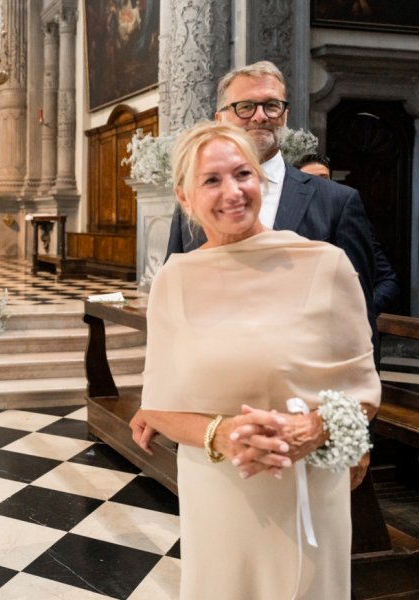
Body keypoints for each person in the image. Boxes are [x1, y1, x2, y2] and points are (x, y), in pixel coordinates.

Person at [139, 121, 380, 599]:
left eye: (243, 174)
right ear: (185, 198)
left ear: (262, 180)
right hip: (219, 487)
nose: (232, 191)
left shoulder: (324, 264)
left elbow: (364, 392)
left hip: (306, 485)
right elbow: (160, 404)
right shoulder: (176, 278)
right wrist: (221, 434)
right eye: (212, 180)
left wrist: (313, 427)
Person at [133, 60, 378, 474]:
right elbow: (176, 324)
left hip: (309, 440)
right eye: (244, 107)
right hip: (217, 443)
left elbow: (358, 331)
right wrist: (160, 403)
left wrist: (351, 432)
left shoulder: (337, 203)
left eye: (271, 105)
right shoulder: (187, 223)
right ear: (221, 117)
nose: (259, 116)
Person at [294, 152, 400, 315]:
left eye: (323, 179)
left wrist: (362, 311)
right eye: (309, 179)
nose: (318, 186)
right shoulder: (290, 219)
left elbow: (387, 279)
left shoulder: (347, 215)